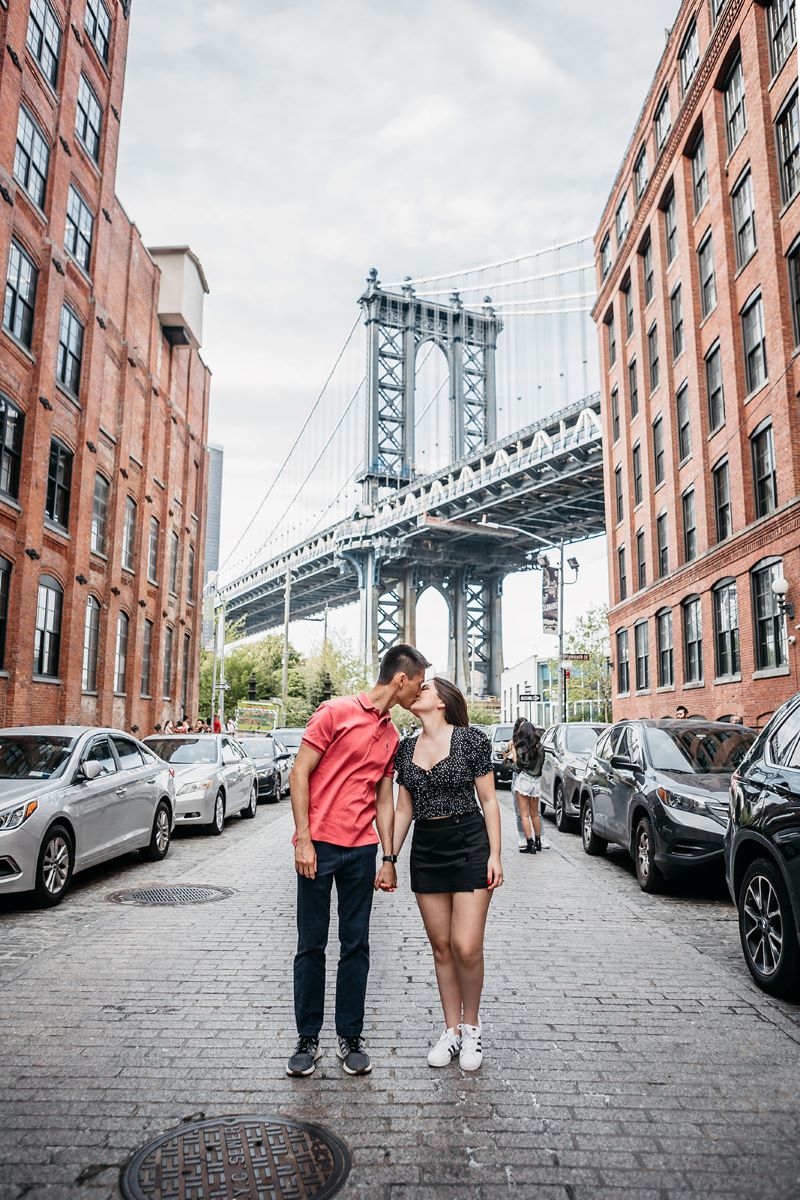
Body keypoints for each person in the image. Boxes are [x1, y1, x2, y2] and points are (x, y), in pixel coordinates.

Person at [286, 642, 431, 1079]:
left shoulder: (390, 736)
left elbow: (383, 799)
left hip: (360, 852)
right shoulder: (335, 712)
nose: (420, 693)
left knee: (357, 946)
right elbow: (299, 773)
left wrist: (389, 856)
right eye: (419, 684)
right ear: (400, 679)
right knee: (311, 945)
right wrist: (304, 840)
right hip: (319, 848)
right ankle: (307, 1039)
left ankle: (350, 1038)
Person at [392, 678, 502, 1072]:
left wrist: (496, 855)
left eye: (425, 688)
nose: (416, 691)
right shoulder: (405, 748)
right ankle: (451, 1030)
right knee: (441, 948)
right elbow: (403, 809)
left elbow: (489, 801)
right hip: (427, 849)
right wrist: (389, 856)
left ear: (442, 701)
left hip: (469, 844)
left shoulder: (471, 741)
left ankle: (472, 1028)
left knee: (466, 945)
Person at [512, 720, 545, 854]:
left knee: (524, 815)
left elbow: (518, 768)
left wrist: (509, 762)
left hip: (524, 780)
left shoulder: (521, 748)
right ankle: (538, 842)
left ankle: (529, 844)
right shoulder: (540, 747)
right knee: (535, 814)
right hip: (536, 782)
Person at [504, 717, 526, 849]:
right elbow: (510, 763)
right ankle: (522, 836)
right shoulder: (512, 744)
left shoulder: (532, 743)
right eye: (521, 727)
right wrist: (508, 752)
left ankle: (540, 836)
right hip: (517, 777)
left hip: (531, 778)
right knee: (519, 810)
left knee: (534, 811)